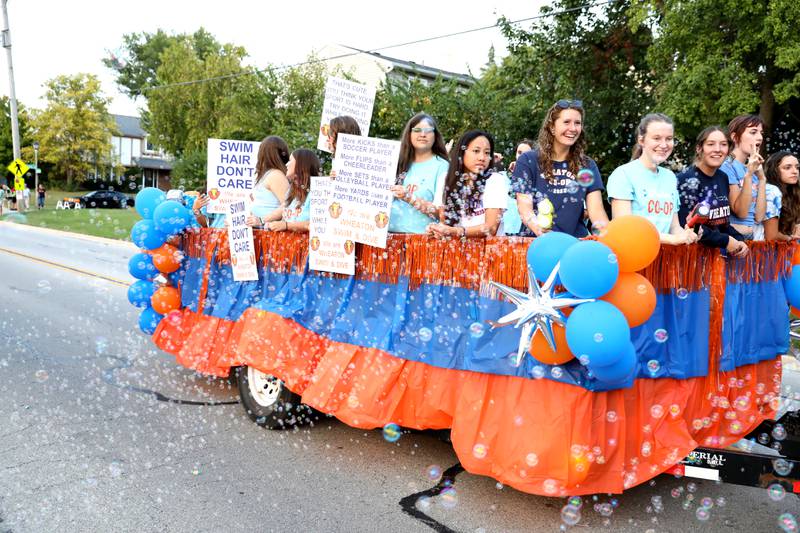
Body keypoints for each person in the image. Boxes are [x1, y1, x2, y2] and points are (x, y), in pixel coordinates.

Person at [512, 100, 609, 237]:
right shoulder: (528, 161)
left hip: (575, 245)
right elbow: (525, 209)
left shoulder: (587, 165)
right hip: (537, 244)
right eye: (566, 122)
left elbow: (597, 213)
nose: (573, 128)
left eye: (577, 123)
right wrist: (541, 231)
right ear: (552, 127)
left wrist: (609, 237)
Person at [607, 113, 697, 244]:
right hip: (634, 257)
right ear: (641, 140)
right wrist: (672, 239)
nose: (664, 144)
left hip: (664, 260)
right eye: (656, 138)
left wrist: (687, 235)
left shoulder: (670, 177)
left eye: (669, 138)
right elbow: (624, 228)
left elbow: (674, 227)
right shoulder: (623, 174)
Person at [676, 126, 748, 256]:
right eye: (710, 144)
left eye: (723, 144)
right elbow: (687, 226)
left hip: (716, 260)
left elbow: (723, 224)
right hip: (690, 259)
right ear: (699, 148)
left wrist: (739, 239)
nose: (718, 149)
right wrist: (726, 241)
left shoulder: (722, 177)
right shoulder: (685, 179)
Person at [426, 130, 508, 238]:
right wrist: (437, 230)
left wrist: (456, 231)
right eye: (476, 151)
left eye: (487, 153)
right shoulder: (445, 179)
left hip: (488, 250)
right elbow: (445, 223)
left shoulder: (495, 180)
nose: (482, 158)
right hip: (457, 249)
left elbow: (491, 228)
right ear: (462, 152)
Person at [388, 113, 450, 234]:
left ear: (435, 136)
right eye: (417, 130)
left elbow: (441, 213)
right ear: (409, 134)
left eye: (428, 131)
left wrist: (410, 198)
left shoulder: (442, 166)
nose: (422, 134)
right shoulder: (395, 162)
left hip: (421, 241)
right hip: (387, 238)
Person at [722, 114, 766, 239]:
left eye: (761, 133)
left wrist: (762, 179)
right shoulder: (727, 166)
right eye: (753, 132)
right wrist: (749, 175)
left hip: (750, 236)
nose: (760, 137)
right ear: (735, 137)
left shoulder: (751, 168)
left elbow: (759, 216)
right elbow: (741, 212)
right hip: (733, 237)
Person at [261, 149, 321, 233]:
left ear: (300, 164)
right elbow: (287, 218)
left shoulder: (317, 192)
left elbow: (317, 224)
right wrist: (271, 224)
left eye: (290, 161)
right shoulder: (291, 191)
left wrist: (286, 226)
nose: (286, 164)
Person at [250, 136, 290, 223]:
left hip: (269, 231)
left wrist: (262, 220)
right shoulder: (267, 174)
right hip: (260, 229)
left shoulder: (276, 175)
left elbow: (288, 205)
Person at [763, 151, 800, 241]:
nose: (795, 171)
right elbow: (771, 236)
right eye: (787, 168)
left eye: (797, 167)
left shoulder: (793, 192)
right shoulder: (771, 191)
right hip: (763, 249)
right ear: (774, 170)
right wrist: (791, 238)